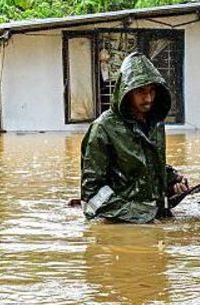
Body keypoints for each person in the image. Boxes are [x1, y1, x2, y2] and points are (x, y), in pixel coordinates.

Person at [80, 52, 189, 223]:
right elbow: (91, 197)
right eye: (140, 91)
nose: (148, 98)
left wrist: (172, 180)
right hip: (120, 227)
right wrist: (140, 216)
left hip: (156, 218)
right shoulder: (102, 129)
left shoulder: (156, 124)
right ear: (126, 92)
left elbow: (147, 167)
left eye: (152, 90)